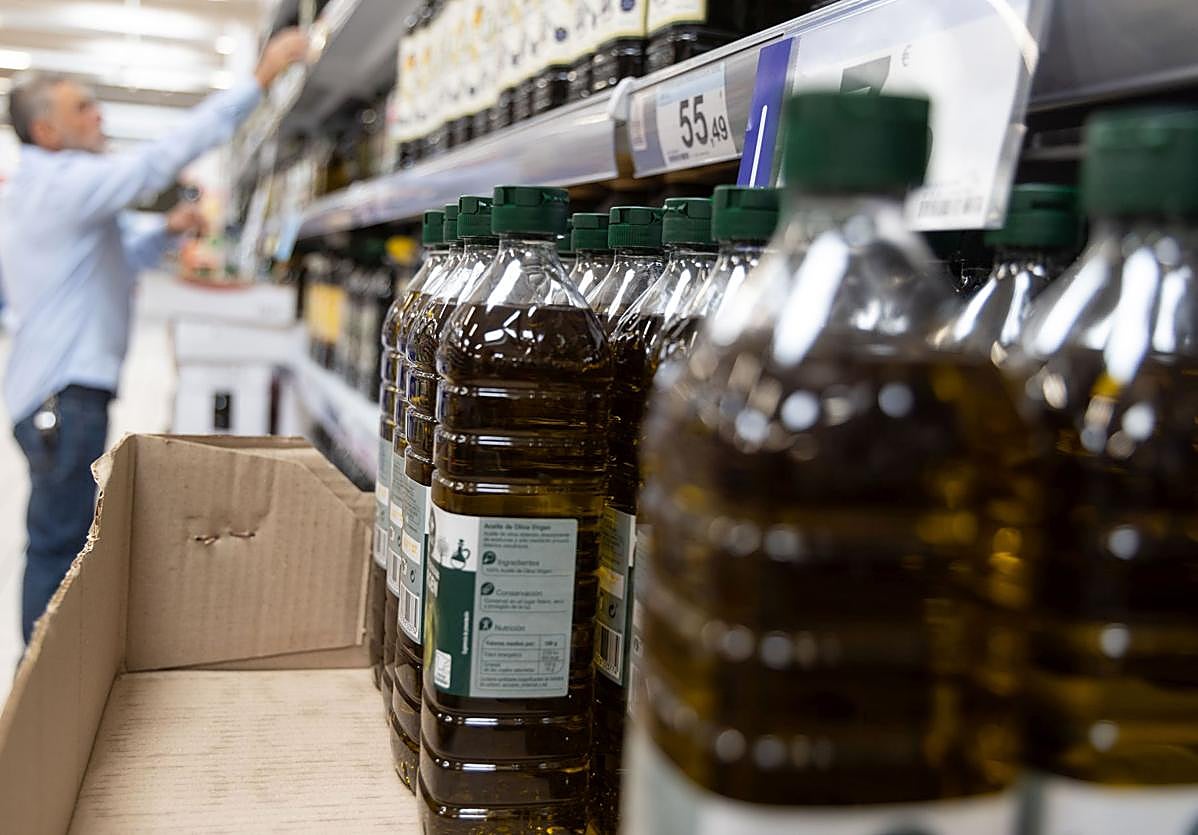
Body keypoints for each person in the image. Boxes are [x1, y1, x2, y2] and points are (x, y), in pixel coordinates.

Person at [0, 29, 309, 644]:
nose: (99, 114)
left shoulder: (50, 189)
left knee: (58, 536)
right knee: (58, 543)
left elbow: (118, 254)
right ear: (48, 132)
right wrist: (260, 77)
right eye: (82, 106)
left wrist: (167, 229)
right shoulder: (61, 182)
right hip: (65, 399)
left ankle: (46, 670)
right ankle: (41, 681)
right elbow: (155, 162)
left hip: (55, 398)